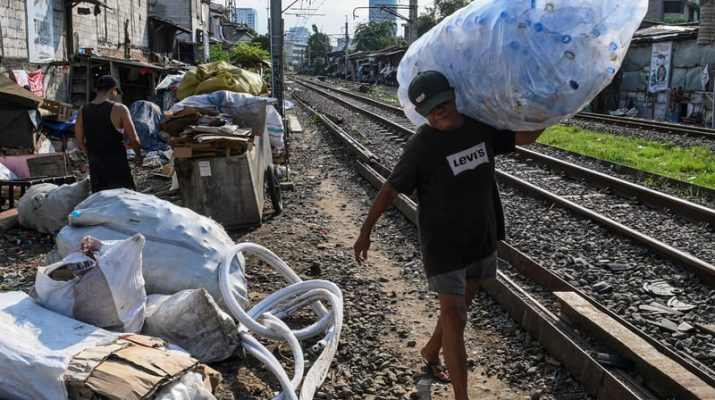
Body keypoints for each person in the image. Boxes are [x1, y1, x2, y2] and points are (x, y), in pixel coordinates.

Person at [353, 71, 544, 400]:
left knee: (458, 311)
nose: (439, 113)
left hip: (481, 236)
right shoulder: (422, 145)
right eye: (431, 111)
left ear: (453, 96)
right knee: (455, 316)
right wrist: (365, 232)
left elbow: (524, 138)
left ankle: (430, 351)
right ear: (423, 114)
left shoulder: (479, 128)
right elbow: (390, 190)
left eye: (443, 104)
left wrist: (555, 108)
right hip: (443, 245)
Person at [75, 75, 142, 192]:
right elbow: (134, 139)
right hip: (117, 166)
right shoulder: (120, 109)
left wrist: (89, 154)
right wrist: (138, 156)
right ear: (113, 90)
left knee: (102, 202)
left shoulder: (83, 110)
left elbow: (79, 139)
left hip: (96, 168)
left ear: (97, 90)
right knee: (124, 201)